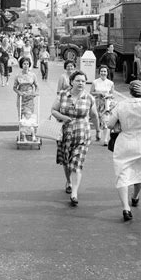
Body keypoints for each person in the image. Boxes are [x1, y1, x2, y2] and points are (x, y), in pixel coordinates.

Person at [107, 80, 141, 221]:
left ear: (129, 91)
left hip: (125, 140)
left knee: (122, 174)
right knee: (140, 170)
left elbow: (110, 124)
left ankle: (125, 207)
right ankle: (135, 197)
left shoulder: (121, 105)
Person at [51, 71, 100, 206]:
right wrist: (63, 117)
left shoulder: (89, 98)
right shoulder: (62, 95)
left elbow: (94, 115)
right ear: (71, 81)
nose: (81, 83)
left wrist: (98, 131)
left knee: (77, 164)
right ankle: (69, 181)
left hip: (82, 135)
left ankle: (74, 193)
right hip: (64, 133)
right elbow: (53, 110)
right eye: (78, 80)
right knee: (67, 161)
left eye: (83, 81)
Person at [90, 65, 115, 146]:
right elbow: (91, 92)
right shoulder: (95, 82)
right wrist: (99, 93)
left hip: (106, 104)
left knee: (105, 121)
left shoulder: (110, 83)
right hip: (96, 103)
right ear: (99, 72)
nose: (103, 73)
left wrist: (108, 96)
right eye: (101, 71)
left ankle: (105, 139)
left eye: (104, 71)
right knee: (96, 119)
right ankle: (98, 133)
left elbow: (112, 94)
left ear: (107, 73)